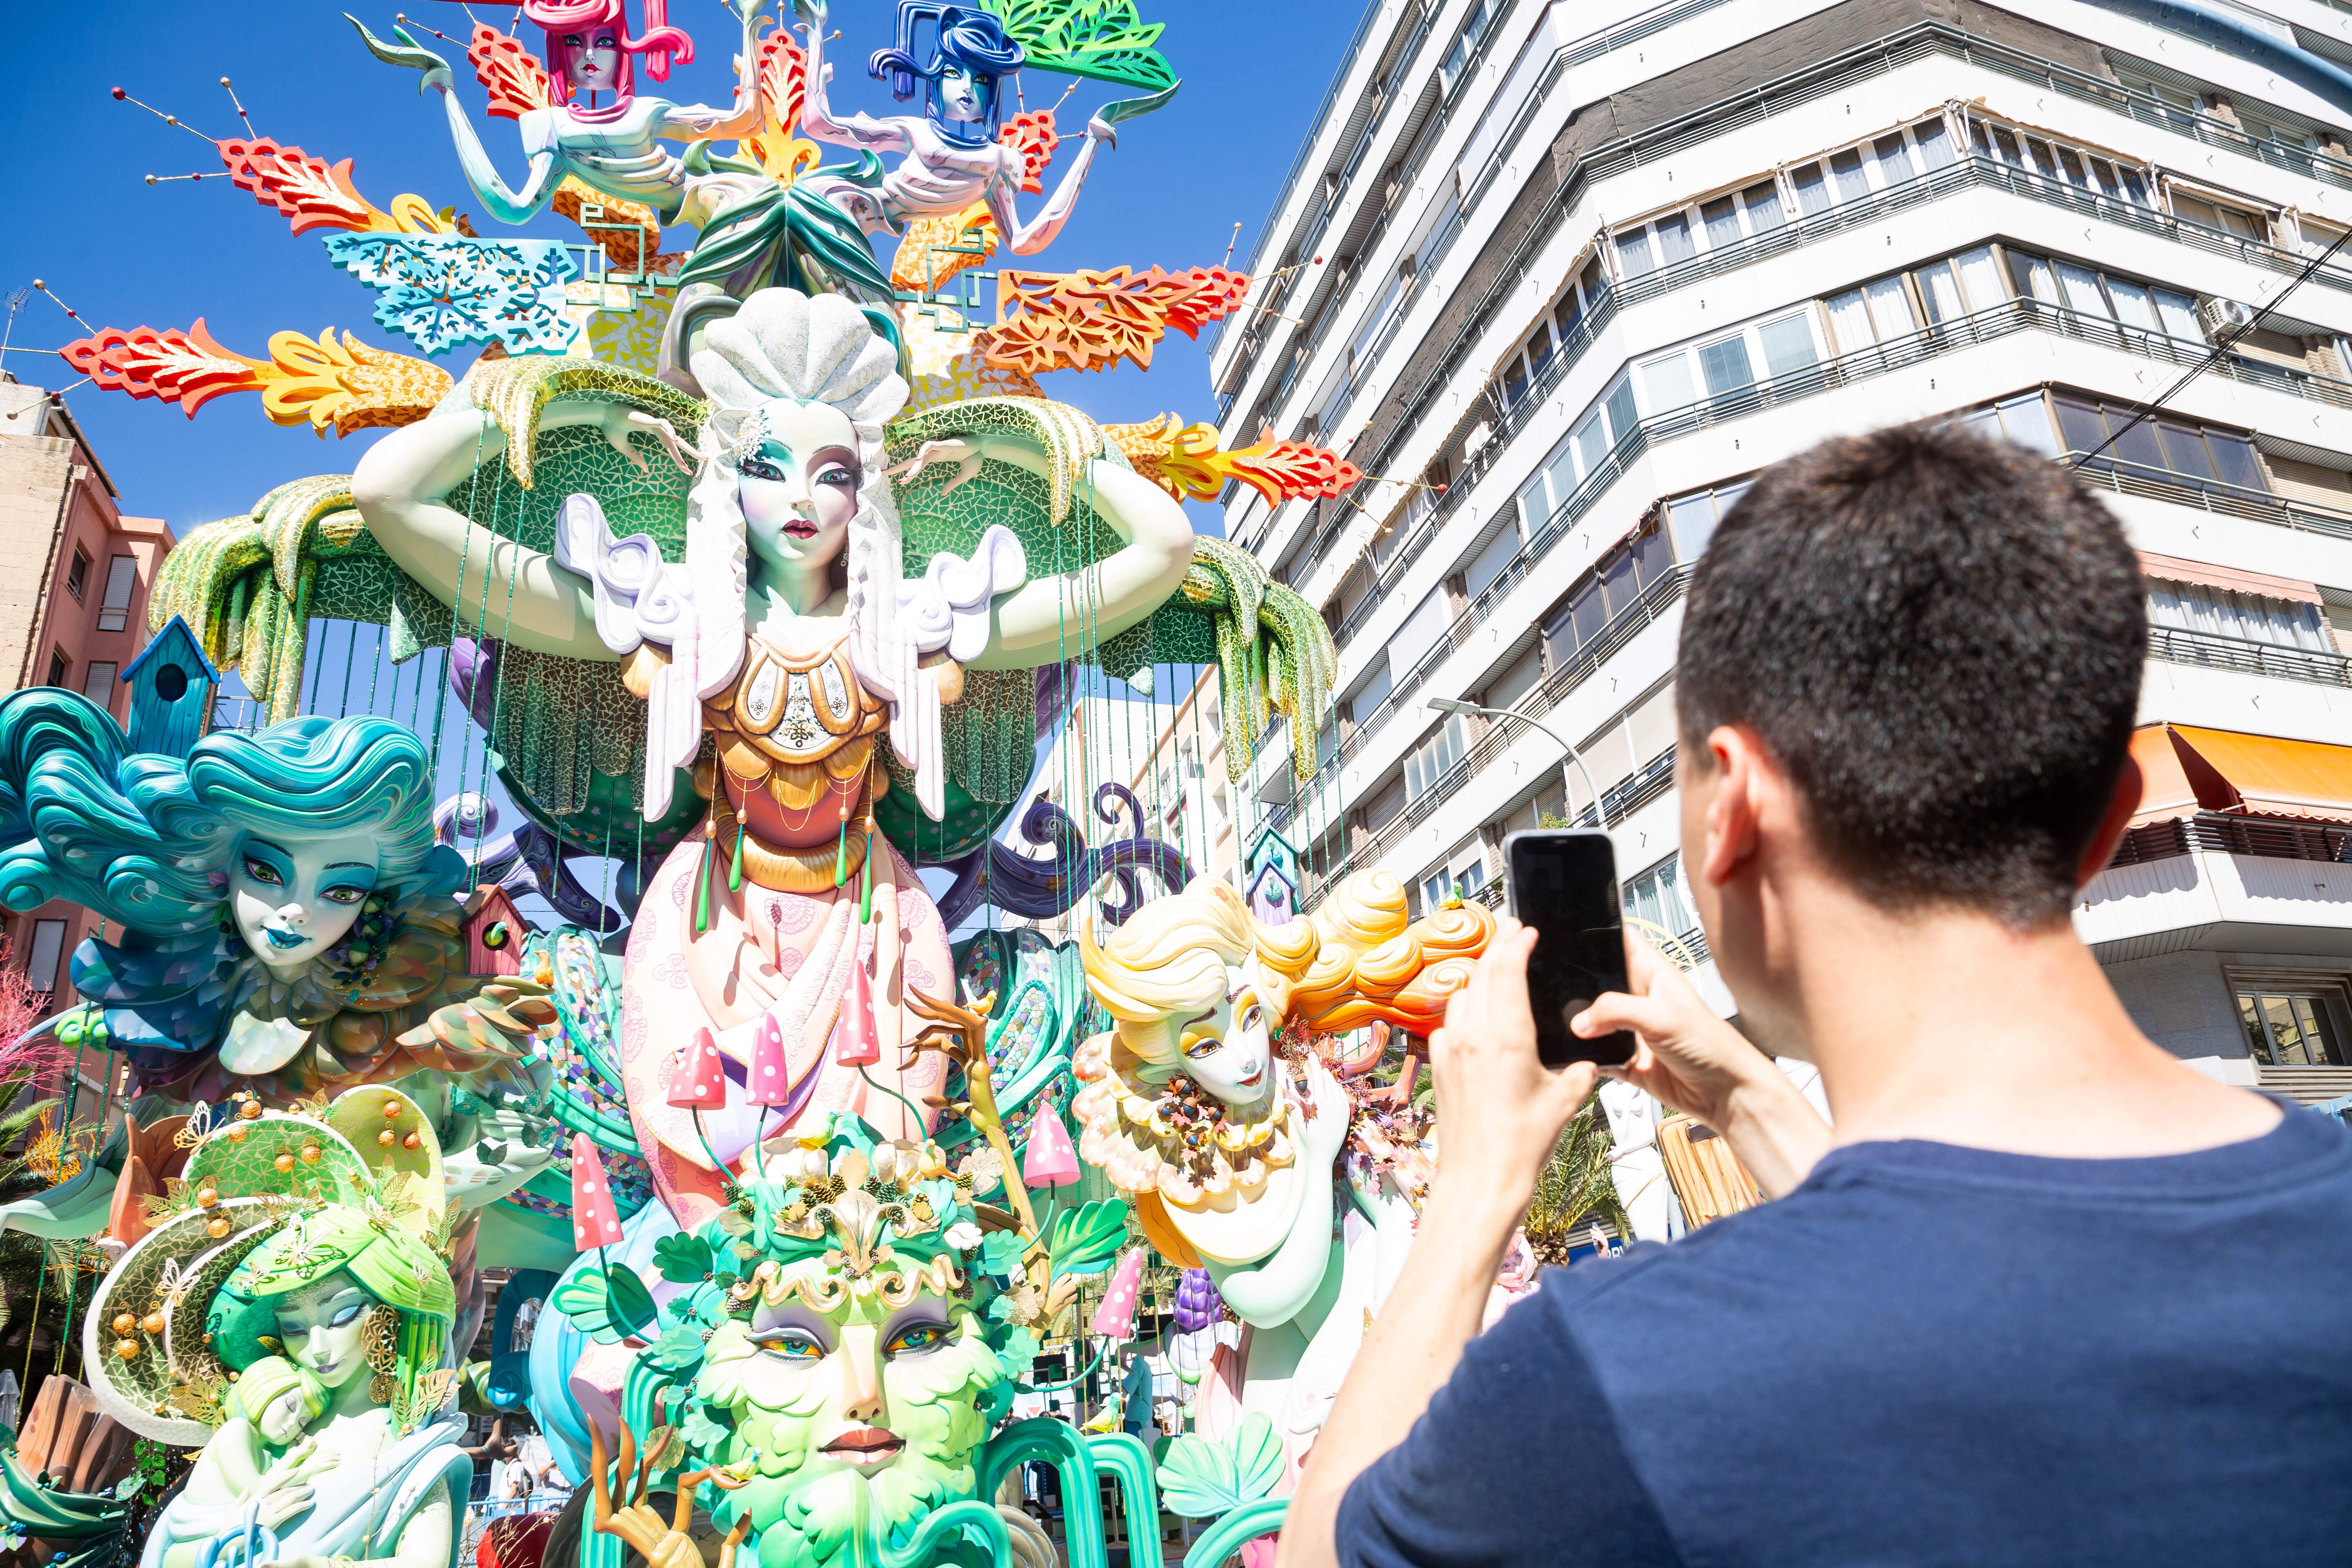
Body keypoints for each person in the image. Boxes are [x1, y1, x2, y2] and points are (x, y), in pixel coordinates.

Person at [1278, 423, 2352, 1567]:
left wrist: (1477, 1185)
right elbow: (1949, 1282)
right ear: (2106, 820)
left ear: (1731, 809)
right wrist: (1746, 1100)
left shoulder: (1618, 1376)